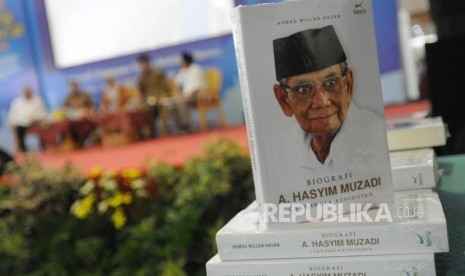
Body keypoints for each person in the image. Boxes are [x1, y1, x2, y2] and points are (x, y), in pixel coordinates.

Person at [271, 25, 387, 170]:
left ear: (348, 85)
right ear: (284, 100)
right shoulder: (278, 154)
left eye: (331, 83)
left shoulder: (376, 136)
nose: (322, 102)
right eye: (304, 89)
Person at [136, 54, 171, 137]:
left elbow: (165, 88)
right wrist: (142, 101)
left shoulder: (158, 74)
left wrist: (158, 98)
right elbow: (141, 93)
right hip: (148, 101)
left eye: (144, 64)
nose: (143, 66)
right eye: (141, 65)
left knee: (152, 108)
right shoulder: (141, 78)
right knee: (139, 110)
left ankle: (152, 131)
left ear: (148, 63)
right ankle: (142, 135)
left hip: (161, 99)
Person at [173, 51, 205, 132]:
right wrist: (178, 95)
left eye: (181, 61)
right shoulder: (183, 71)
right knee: (172, 104)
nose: (180, 63)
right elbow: (176, 83)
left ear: (186, 61)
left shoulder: (196, 69)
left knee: (181, 102)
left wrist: (185, 97)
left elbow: (196, 88)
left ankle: (186, 125)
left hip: (196, 95)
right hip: (185, 96)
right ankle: (180, 127)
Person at [7, 86, 47, 152]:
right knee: (19, 130)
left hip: (35, 122)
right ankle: (23, 150)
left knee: (43, 129)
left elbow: (43, 113)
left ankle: (43, 148)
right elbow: (12, 116)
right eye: (26, 92)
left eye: (29, 92)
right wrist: (12, 123)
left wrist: (36, 119)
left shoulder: (38, 100)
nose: (27, 93)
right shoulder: (17, 102)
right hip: (22, 124)